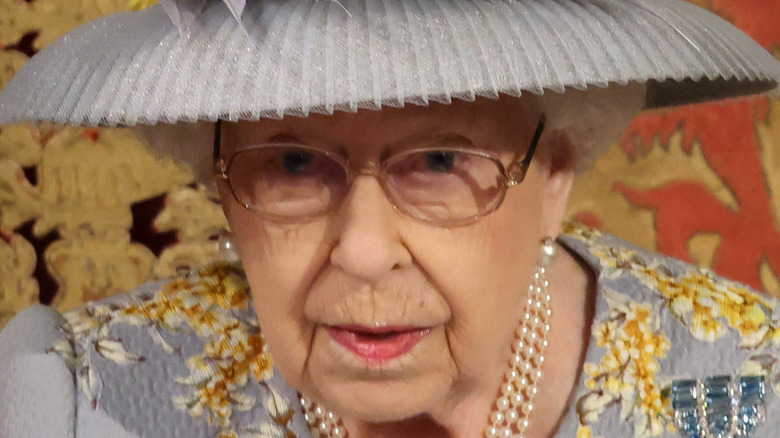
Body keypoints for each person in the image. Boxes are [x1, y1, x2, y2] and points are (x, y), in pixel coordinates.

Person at [0, 0, 779, 437]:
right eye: (294, 163)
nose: (366, 253)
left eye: (440, 162)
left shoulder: (748, 385)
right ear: (221, 186)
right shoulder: (84, 401)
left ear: (554, 179)